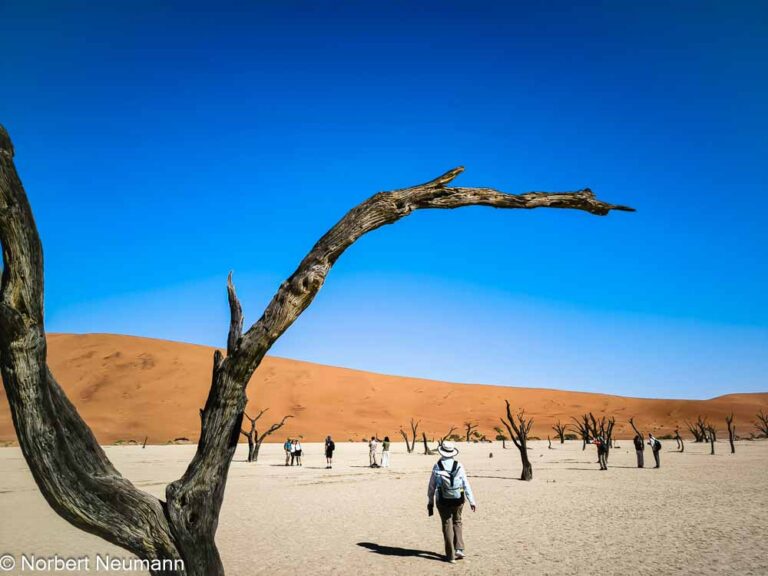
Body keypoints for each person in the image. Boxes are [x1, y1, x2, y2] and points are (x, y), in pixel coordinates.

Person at [427, 441, 476, 563]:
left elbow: (431, 486)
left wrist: (430, 501)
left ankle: (450, 556)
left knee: (447, 524)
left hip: (442, 499)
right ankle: (459, 548)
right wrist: (472, 500)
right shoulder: (459, 465)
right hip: (458, 498)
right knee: (457, 521)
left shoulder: (437, 465)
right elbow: (465, 483)